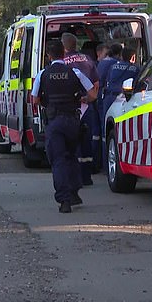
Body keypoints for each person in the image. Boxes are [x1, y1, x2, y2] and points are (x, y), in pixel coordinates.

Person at [32, 40, 96, 213]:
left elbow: (35, 100)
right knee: (72, 156)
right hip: (73, 121)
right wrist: (83, 99)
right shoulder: (75, 72)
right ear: (63, 54)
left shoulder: (43, 74)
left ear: (49, 56)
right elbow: (93, 93)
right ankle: (74, 193)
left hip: (54, 122)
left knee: (59, 160)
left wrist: (47, 102)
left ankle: (65, 201)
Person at [62, 32, 99, 185]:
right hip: (87, 106)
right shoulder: (88, 59)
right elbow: (96, 84)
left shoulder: (63, 62)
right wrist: (89, 99)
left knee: (71, 142)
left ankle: (74, 177)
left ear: (64, 47)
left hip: (71, 107)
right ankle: (86, 176)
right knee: (86, 141)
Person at [96, 42, 122, 163]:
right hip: (116, 98)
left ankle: (103, 161)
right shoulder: (116, 64)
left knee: (103, 129)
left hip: (103, 97)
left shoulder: (102, 64)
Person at [102, 46, 140, 124]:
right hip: (124, 98)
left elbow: (108, 81)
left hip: (110, 97)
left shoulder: (113, 67)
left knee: (107, 124)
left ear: (122, 56)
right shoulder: (135, 69)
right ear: (132, 56)